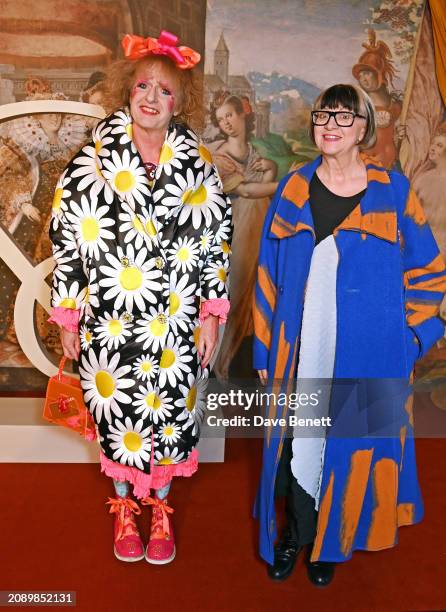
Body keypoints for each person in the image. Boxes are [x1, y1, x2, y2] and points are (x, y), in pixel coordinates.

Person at [49, 30, 232, 565]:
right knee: (118, 418)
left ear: (180, 102)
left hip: (174, 323)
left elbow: (214, 242)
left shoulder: (198, 167)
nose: (152, 97)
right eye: (144, 86)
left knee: (174, 415)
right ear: (127, 91)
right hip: (110, 321)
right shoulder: (91, 163)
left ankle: (162, 508)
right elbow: (67, 240)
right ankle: (126, 506)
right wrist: (67, 313)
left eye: (165, 90)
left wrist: (211, 313)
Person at [253, 84, 446, 586]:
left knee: (354, 443)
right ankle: (296, 532)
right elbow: (268, 274)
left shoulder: (393, 191)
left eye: (345, 117)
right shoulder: (294, 188)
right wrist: (264, 346)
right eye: (324, 116)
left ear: (364, 128)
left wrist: (410, 342)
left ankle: (328, 541)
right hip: (301, 343)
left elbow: (428, 273)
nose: (331, 126)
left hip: (370, 352)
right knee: (300, 438)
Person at [208, 92, 278, 378]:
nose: (226, 122)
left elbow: (262, 184)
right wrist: (286, 183)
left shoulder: (254, 153)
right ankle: (217, 366)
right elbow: (247, 190)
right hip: (235, 234)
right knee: (231, 296)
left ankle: (240, 364)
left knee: (256, 295)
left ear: (244, 115)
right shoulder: (218, 157)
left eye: (230, 115)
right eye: (221, 118)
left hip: (258, 230)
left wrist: (271, 169)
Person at [352, 29, 402, 169]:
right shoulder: (358, 106)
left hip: (393, 166)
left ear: (378, 75)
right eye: (360, 76)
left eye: (367, 73)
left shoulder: (397, 105)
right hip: (367, 166)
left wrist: (400, 135)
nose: (363, 79)